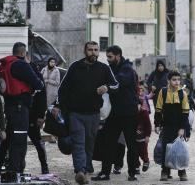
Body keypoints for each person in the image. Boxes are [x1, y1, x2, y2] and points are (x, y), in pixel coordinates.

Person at [53, 41, 119, 185]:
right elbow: (62, 89)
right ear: (85, 51)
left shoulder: (103, 68)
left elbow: (116, 85)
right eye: (90, 50)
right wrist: (57, 105)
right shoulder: (75, 67)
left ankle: (87, 168)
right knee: (79, 143)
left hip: (94, 114)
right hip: (75, 113)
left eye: (96, 50)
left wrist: (107, 87)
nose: (93, 52)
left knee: (89, 143)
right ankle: (80, 171)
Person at [92, 45, 139, 181]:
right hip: (114, 113)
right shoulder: (110, 68)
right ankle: (105, 172)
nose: (108, 59)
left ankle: (132, 173)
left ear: (118, 56)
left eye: (110, 57)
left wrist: (107, 86)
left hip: (129, 113)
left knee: (131, 144)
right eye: (107, 57)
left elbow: (119, 81)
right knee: (109, 143)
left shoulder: (127, 69)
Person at [0, 42, 43, 173]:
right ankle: (16, 171)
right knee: (19, 140)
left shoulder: (5, 64)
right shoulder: (21, 65)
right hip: (20, 108)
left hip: (9, 106)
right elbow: (38, 83)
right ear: (23, 53)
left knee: (9, 140)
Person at [154, 71, 190, 181]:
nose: (177, 82)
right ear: (168, 81)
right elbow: (158, 109)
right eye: (174, 79)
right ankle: (165, 171)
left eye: (178, 80)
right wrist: (157, 124)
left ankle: (182, 171)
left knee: (180, 149)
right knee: (166, 149)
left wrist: (183, 128)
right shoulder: (163, 92)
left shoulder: (182, 93)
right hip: (167, 126)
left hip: (179, 127)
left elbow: (185, 113)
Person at [26, 55, 49, 174]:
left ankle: (44, 167)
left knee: (37, 141)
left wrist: (41, 116)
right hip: (20, 114)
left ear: (27, 57)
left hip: (33, 115)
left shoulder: (34, 72)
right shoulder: (18, 70)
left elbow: (42, 96)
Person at [135, 86, 153, 172]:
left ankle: (146, 161)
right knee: (134, 152)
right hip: (134, 137)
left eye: (138, 105)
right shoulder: (131, 114)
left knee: (143, 152)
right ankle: (136, 166)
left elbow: (148, 125)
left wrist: (147, 136)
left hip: (142, 137)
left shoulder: (144, 113)